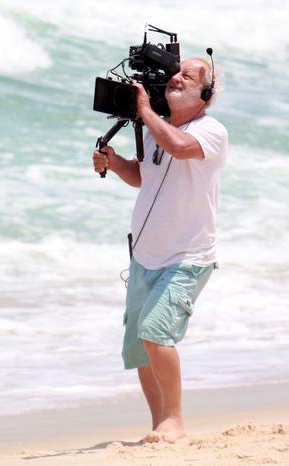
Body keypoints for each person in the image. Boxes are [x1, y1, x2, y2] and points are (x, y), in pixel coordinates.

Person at [92, 58, 228, 443]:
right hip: (144, 256)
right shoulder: (154, 130)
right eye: (175, 73)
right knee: (140, 347)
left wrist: (146, 111)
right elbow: (144, 176)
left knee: (155, 332)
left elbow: (181, 147)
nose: (177, 77)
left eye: (189, 75)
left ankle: (175, 421)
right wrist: (117, 164)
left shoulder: (211, 130)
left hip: (186, 257)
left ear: (206, 93)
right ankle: (159, 425)